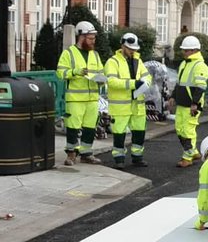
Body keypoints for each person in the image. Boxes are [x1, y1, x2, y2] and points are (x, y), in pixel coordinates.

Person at [55, 21, 104, 165]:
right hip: (75, 98)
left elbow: (101, 71)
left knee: (90, 127)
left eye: (94, 38)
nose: (93, 41)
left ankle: (86, 153)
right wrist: (75, 72)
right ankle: (71, 154)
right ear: (81, 37)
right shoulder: (69, 53)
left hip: (92, 98)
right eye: (90, 38)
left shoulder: (94, 54)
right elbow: (60, 73)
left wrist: (102, 79)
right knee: (73, 127)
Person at [103, 32, 153, 168]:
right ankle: (119, 159)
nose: (133, 51)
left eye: (135, 49)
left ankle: (137, 157)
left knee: (139, 132)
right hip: (121, 106)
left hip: (137, 104)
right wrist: (133, 84)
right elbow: (112, 81)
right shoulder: (112, 62)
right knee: (119, 133)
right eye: (131, 49)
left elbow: (147, 76)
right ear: (123, 46)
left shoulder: (138, 61)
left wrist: (145, 83)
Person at [173, 35, 208, 167]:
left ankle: (187, 158)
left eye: (186, 50)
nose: (184, 52)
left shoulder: (200, 66)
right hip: (182, 104)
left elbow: (200, 87)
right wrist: (173, 97)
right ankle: (192, 152)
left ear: (194, 50)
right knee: (179, 129)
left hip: (192, 105)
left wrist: (195, 103)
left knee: (188, 130)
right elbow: (179, 83)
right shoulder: (184, 63)